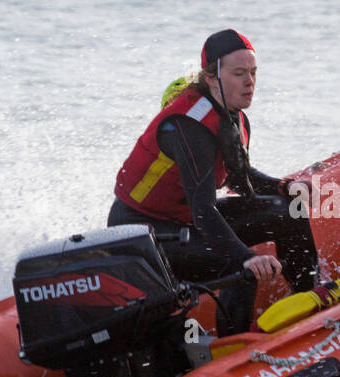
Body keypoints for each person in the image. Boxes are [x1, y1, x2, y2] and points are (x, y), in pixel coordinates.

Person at [110, 29, 319, 335]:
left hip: (185, 219)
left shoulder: (232, 115)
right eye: (239, 74)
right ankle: (234, 344)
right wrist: (247, 257)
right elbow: (205, 211)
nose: (250, 82)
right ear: (211, 77)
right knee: (238, 268)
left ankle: (309, 297)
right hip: (143, 231)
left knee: (291, 209)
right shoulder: (189, 125)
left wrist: (284, 187)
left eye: (253, 72)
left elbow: (239, 176)